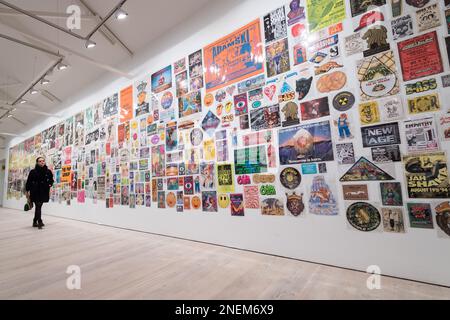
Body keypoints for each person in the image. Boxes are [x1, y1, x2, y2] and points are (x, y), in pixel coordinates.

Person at [25, 157, 54, 229]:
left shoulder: (48, 171)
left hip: (44, 191)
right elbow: (28, 181)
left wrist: (50, 184)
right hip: (35, 191)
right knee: (38, 205)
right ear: (37, 162)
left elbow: (51, 180)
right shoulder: (33, 171)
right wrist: (27, 191)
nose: (42, 162)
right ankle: (39, 221)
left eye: (43, 161)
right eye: (40, 161)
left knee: (39, 206)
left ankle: (35, 220)